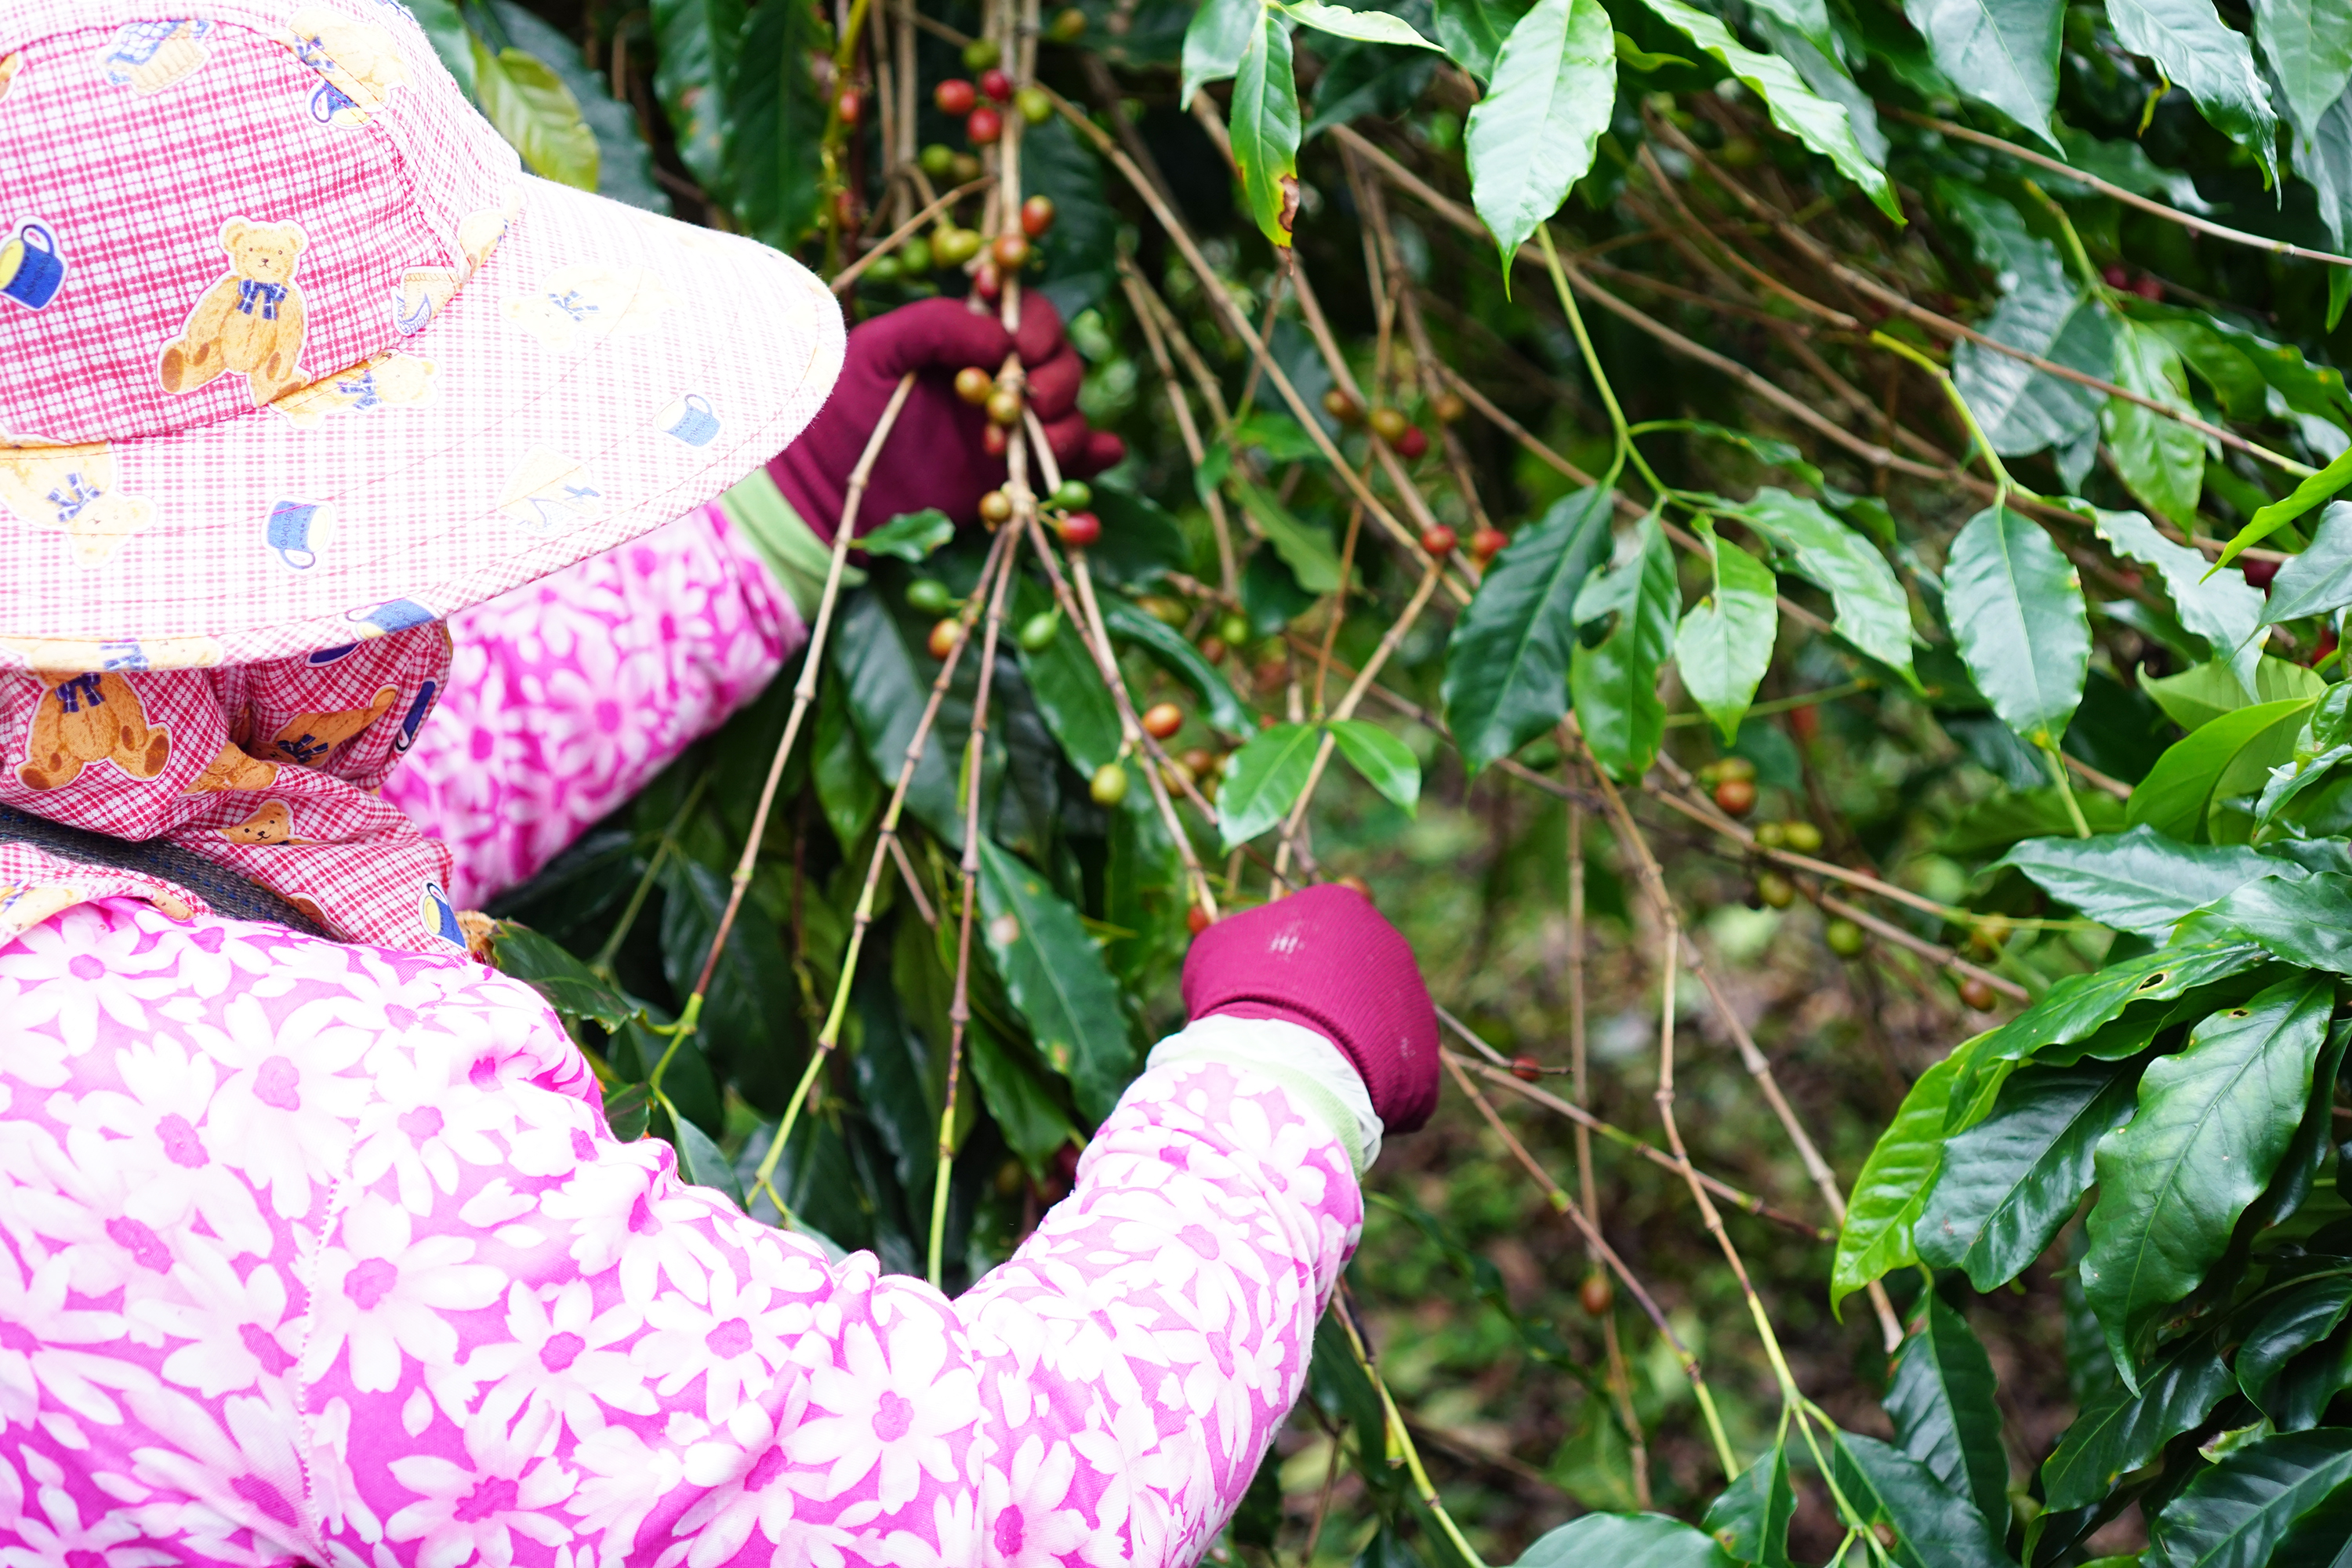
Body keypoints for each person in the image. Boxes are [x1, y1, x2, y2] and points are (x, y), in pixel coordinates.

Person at [0, 3, 1442, 1564]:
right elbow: (980, 1516)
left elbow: (230, 856)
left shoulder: (85, 879)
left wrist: (775, 527)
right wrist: (1276, 1098)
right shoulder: (333, 1168)